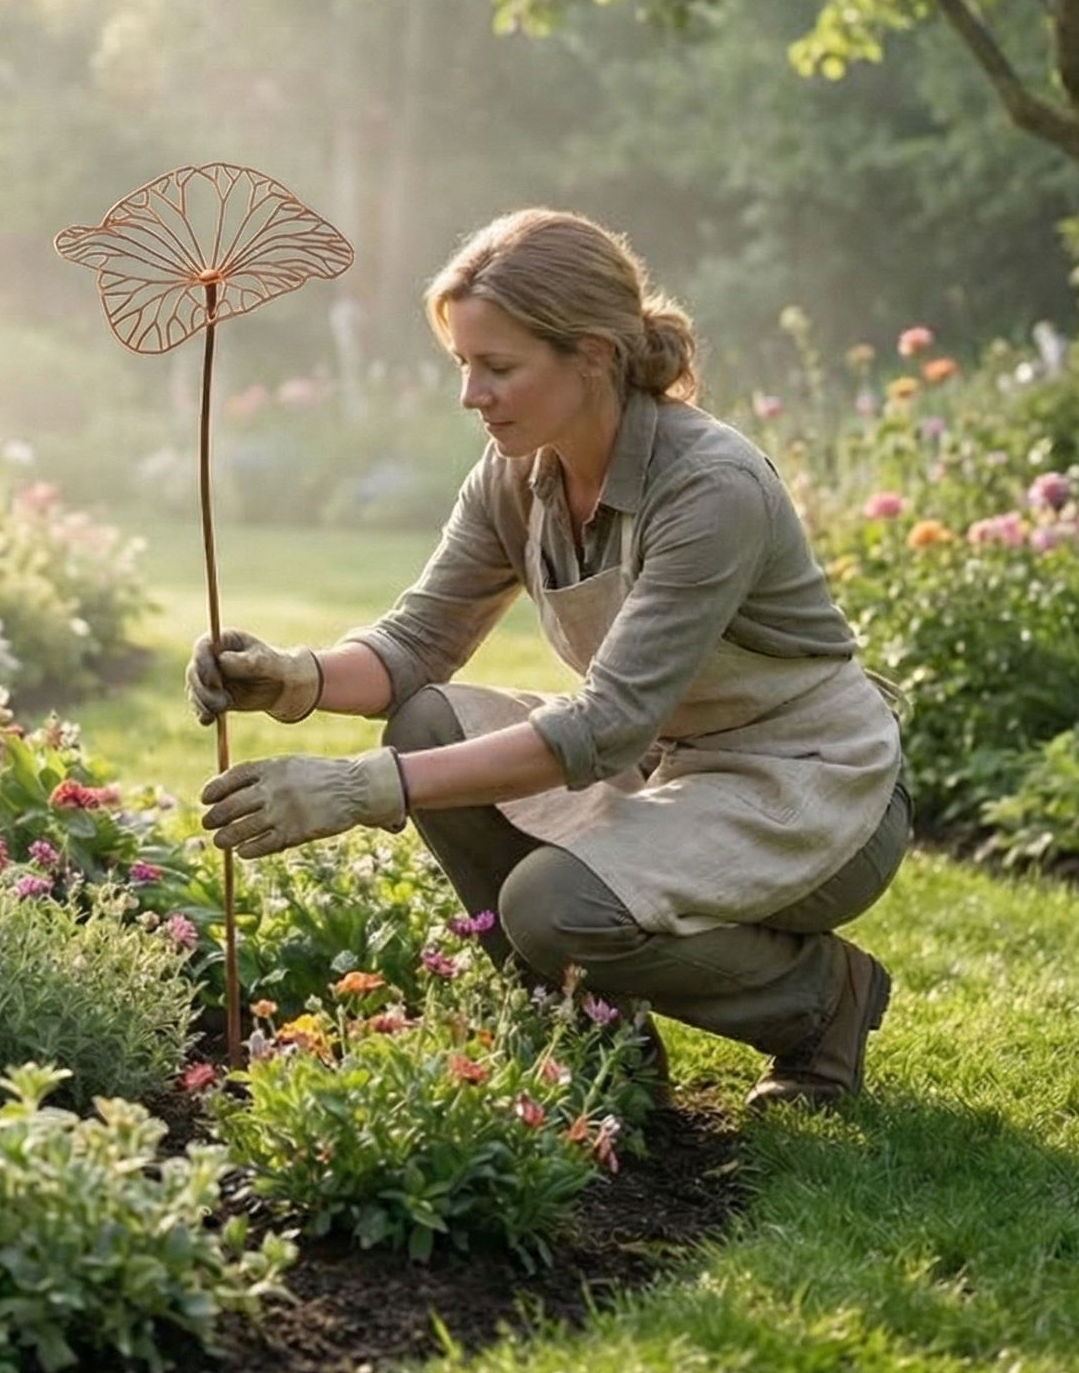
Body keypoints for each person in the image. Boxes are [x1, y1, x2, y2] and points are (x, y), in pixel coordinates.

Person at [191, 207, 909, 1110]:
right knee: (425, 718)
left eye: (499, 368)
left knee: (551, 906)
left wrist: (357, 789)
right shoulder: (514, 474)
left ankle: (820, 1003)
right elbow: (417, 645)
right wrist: (293, 676)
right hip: (673, 764)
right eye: (464, 365)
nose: (471, 395)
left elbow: (606, 726)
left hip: (815, 786)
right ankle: (595, 1043)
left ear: (595, 355)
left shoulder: (709, 486)